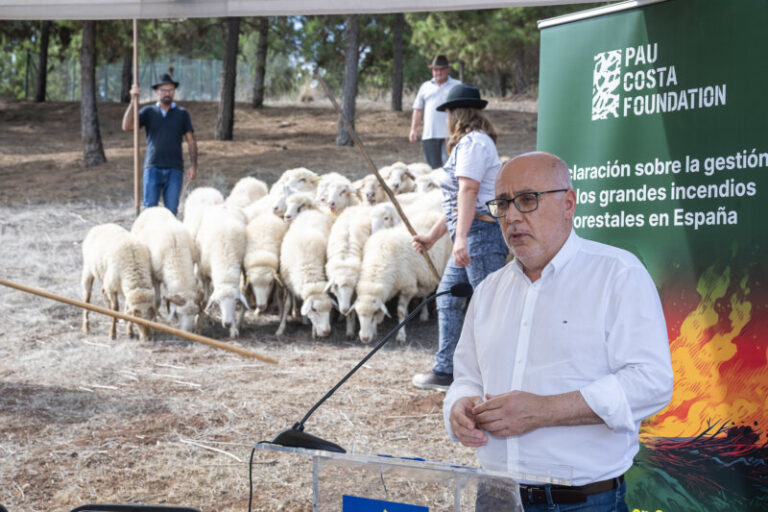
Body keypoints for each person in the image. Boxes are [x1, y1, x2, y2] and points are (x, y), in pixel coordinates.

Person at [444, 151, 674, 511]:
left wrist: (545, 410)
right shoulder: (489, 289)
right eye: (503, 203)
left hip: (581, 501)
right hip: (495, 495)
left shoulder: (617, 275)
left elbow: (651, 383)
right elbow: (467, 377)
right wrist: (458, 405)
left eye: (527, 200)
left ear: (569, 204)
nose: (513, 216)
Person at [411, 84, 509, 391]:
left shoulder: (474, 144)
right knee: (449, 299)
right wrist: (432, 237)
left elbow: (469, 190)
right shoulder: (471, 144)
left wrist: (462, 239)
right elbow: (457, 201)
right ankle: (446, 369)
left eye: (448, 112)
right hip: (473, 233)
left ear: (456, 113)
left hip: (480, 235)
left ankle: (497, 378)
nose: (446, 119)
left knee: (487, 308)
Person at [122, 73, 198, 216]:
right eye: (163, 90)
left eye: (170, 90)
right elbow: (126, 126)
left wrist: (193, 165)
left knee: (171, 212)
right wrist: (133, 100)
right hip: (153, 168)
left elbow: (191, 141)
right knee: (149, 212)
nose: (167, 94)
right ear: (157, 92)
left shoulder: (182, 114)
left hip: (175, 169)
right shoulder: (149, 112)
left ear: (174, 92)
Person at [409, 54, 461, 169]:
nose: (438, 73)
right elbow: (418, 109)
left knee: (450, 168)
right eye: (435, 70)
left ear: (447, 70)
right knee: (432, 170)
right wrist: (413, 129)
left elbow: (465, 110)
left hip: (451, 135)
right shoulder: (425, 87)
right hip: (429, 135)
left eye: (441, 69)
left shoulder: (457, 86)